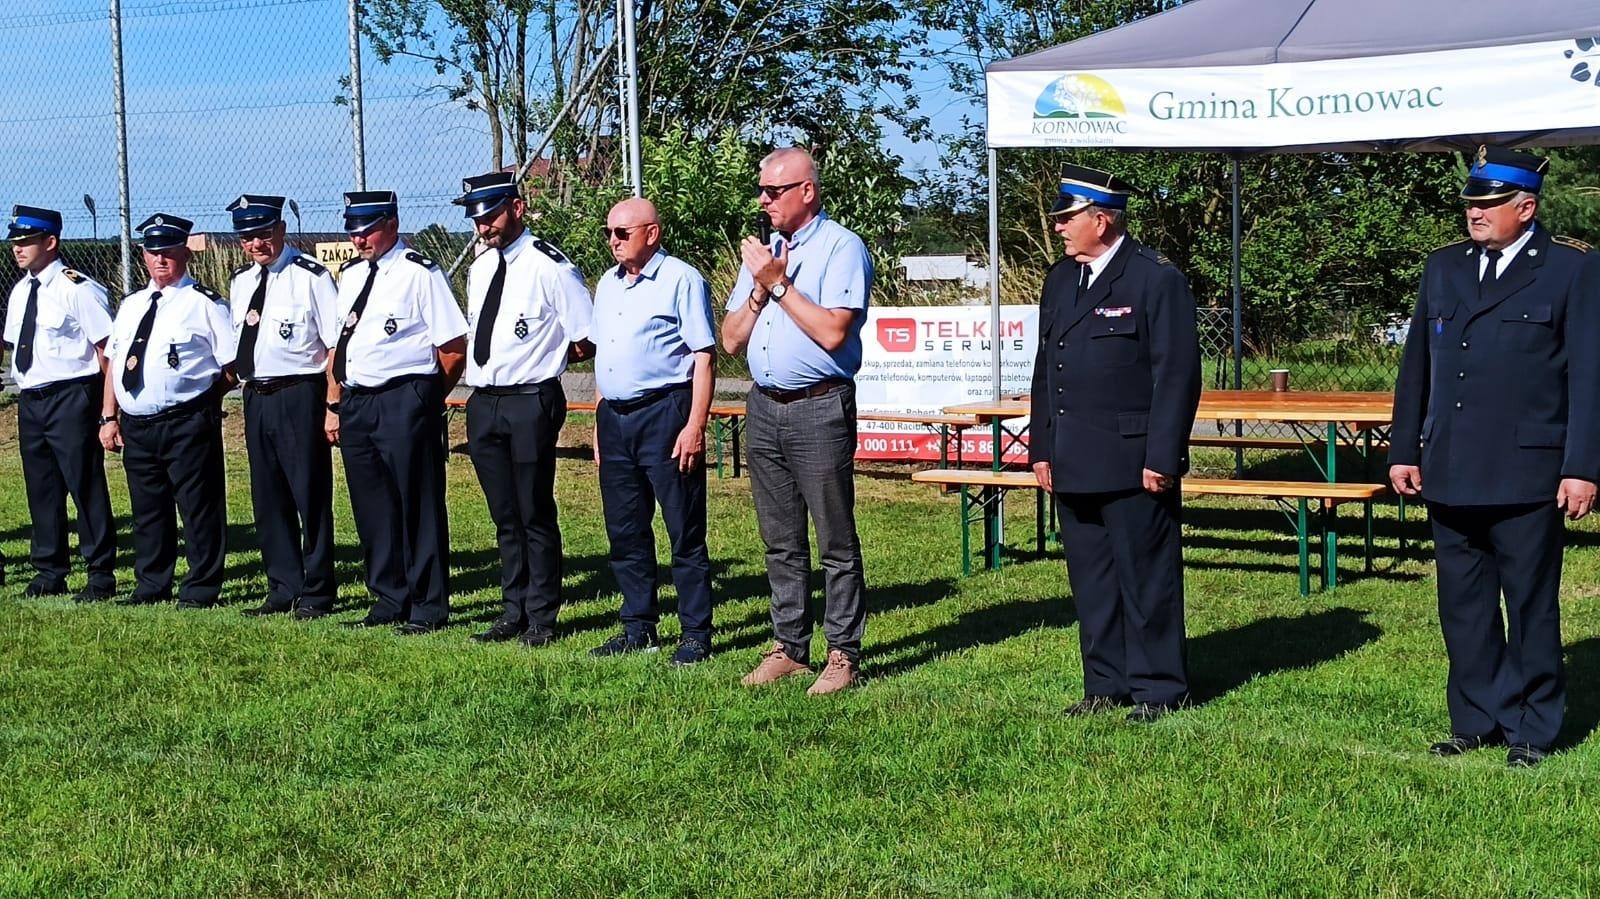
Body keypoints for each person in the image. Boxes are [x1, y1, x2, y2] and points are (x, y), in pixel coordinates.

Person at [1390, 146, 1600, 769]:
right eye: (1471, 204)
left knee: (1531, 602)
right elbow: (1417, 371)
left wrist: (1583, 465)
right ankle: (1476, 716)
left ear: (1526, 206)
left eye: (1488, 205)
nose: (1474, 214)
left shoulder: (1569, 270)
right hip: (1451, 466)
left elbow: (1589, 375)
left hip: (1526, 468)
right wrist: (1405, 449)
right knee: (1464, 604)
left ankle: (1534, 726)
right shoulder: (1445, 267)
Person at [1028, 163, 1201, 723]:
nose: (1057, 227)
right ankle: (1105, 682)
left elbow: (1175, 374)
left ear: (1100, 220)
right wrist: (1042, 448)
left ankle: (1159, 687)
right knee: (1093, 579)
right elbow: (1045, 369)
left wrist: (1162, 456)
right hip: (1074, 456)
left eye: (1067, 218)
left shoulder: (1154, 278)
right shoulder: (1060, 279)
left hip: (1132, 460)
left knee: (1146, 578)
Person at [721, 147, 871, 694]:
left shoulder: (841, 247)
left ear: (806, 191)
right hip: (765, 407)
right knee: (779, 539)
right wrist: (761, 286)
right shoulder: (765, 256)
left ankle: (842, 654)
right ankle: (789, 646)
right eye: (761, 192)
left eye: (774, 191)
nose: (764, 201)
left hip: (818, 407)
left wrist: (780, 286)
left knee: (834, 537)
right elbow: (732, 339)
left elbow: (833, 332)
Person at [453, 172, 593, 647]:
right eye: (476, 218)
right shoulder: (480, 268)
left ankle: (542, 617)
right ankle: (512, 609)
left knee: (534, 509)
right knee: (504, 514)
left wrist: (544, 357)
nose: (483, 226)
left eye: (490, 214)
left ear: (518, 207)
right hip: (485, 400)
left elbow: (585, 336)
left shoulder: (550, 266)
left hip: (530, 399)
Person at [326, 190, 468, 635]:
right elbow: (338, 345)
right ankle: (388, 597)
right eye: (353, 231)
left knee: (418, 503)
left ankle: (428, 604)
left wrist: (423, 398)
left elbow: (452, 348)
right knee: (372, 505)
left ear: (391, 224)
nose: (358, 240)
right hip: (358, 401)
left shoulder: (419, 273)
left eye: (366, 230)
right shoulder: (350, 276)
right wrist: (334, 403)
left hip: (404, 396)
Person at [591, 197, 717, 665]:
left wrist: (694, 426)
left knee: (683, 529)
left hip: (666, 413)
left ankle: (695, 632)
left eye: (622, 233)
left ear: (652, 233)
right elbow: (605, 357)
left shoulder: (681, 279)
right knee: (625, 529)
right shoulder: (607, 284)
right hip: (616, 418)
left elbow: (704, 356)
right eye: (609, 232)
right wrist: (601, 430)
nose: (612, 241)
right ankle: (637, 625)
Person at [100, 213, 235, 608]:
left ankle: (200, 587)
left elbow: (231, 367)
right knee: (147, 508)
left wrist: (201, 402)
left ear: (185, 253)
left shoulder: (206, 304)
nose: (161, 260)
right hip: (137, 424)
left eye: (169, 252)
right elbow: (113, 362)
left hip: (187, 420)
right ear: (143, 254)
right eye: (153, 252)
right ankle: (151, 583)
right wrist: (109, 416)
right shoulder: (131, 304)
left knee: (199, 507)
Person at [226, 194, 341, 620]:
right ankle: (282, 585)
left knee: (309, 493)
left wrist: (333, 402)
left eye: (263, 233)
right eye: (247, 237)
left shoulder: (311, 276)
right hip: (256, 395)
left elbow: (332, 345)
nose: (257, 243)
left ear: (281, 230)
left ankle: (318, 588)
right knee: (268, 495)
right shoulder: (242, 282)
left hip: (299, 394)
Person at [4, 205, 117, 602]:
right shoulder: (22, 291)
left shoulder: (77, 288)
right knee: (42, 488)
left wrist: (108, 411)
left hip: (71, 395)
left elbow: (107, 351)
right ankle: (49, 571)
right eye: (15, 242)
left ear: (50, 242)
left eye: (27, 241)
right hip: (32, 398)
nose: (18, 249)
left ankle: (100, 573)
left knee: (84, 484)